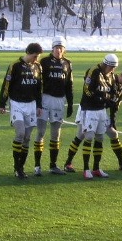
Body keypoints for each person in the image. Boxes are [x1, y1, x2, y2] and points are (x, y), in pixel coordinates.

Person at [64, 67, 122, 172]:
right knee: (81, 135)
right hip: (87, 109)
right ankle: (68, 163)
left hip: (100, 111)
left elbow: (115, 105)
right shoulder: (109, 80)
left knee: (113, 134)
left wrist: (112, 121)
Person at [0, 42, 44, 179]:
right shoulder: (15, 66)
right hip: (17, 104)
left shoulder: (37, 67)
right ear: (29, 53)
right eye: (35, 56)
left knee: (27, 137)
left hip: (31, 105)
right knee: (20, 133)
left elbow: (39, 87)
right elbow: (6, 85)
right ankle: (16, 167)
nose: (36, 59)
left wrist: (39, 105)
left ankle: (21, 167)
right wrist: (2, 103)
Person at [72, 54, 118, 179]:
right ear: (106, 64)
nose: (113, 70)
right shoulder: (94, 71)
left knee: (100, 138)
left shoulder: (112, 76)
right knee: (89, 136)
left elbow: (113, 91)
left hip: (101, 110)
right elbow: (87, 89)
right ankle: (86, 169)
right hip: (89, 108)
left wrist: (111, 100)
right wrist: (98, 98)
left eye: (114, 67)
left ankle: (96, 168)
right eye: (111, 67)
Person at [33, 36, 74, 176]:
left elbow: (69, 85)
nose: (58, 50)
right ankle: (37, 166)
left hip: (59, 100)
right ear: (52, 48)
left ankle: (53, 165)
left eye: (61, 48)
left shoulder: (67, 63)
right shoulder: (43, 62)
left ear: (64, 49)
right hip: (45, 99)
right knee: (41, 131)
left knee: (56, 133)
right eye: (56, 48)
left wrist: (70, 103)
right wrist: (38, 102)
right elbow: (37, 83)